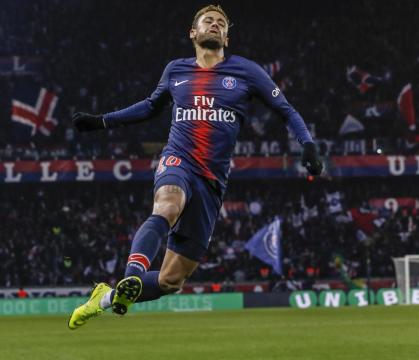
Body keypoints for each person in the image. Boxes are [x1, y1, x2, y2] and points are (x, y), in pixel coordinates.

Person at [68, 4, 322, 330]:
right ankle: (131, 275)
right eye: (208, 21)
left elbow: (286, 110)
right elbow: (149, 107)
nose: (214, 25)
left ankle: (104, 297)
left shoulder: (247, 71)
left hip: (212, 180)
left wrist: (308, 145)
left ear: (227, 37)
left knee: (172, 280)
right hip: (179, 160)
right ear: (193, 33)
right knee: (168, 204)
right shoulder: (176, 70)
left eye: (220, 23)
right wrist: (101, 122)